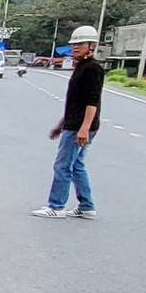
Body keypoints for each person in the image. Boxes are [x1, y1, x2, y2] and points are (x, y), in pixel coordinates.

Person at [34, 26, 104, 218]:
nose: (75, 48)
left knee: (63, 165)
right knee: (76, 165)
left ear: (91, 46)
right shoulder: (81, 67)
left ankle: (56, 206)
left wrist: (84, 128)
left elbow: (92, 101)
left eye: (80, 44)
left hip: (80, 127)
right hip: (74, 123)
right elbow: (75, 102)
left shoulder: (92, 69)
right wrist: (61, 124)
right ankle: (87, 206)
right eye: (74, 44)